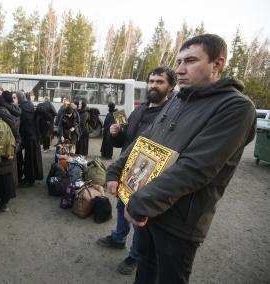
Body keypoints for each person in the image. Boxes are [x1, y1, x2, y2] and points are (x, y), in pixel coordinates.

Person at [106, 34, 256, 283]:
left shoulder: (236, 107)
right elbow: (144, 140)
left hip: (179, 222)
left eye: (190, 61)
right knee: (145, 269)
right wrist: (116, 170)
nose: (180, 70)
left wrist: (140, 202)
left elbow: (195, 168)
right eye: (179, 61)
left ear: (217, 64)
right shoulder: (178, 99)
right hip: (149, 209)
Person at [97, 66, 176, 276]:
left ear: (170, 86)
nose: (154, 86)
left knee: (139, 216)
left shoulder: (170, 114)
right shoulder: (139, 109)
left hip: (148, 175)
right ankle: (118, 238)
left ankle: (136, 256)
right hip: (126, 169)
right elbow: (126, 141)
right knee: (122, 206)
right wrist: (115, 133)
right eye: (151, 81)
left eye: (160, 82)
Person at [18, 91, 43, 186]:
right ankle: (31, 178)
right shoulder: (29, 104)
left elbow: (23, 124)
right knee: (31, 158)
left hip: (29, 136)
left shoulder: (22, 108)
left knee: (29, 159)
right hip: (33, 135)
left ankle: (29, 180)